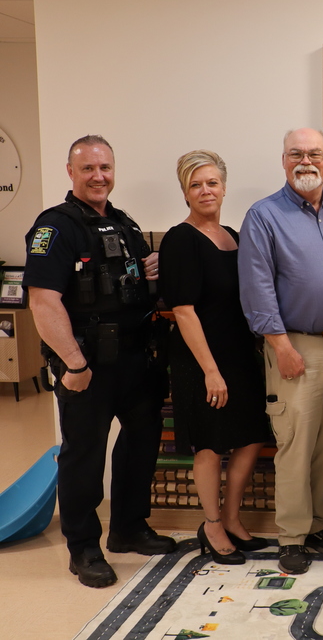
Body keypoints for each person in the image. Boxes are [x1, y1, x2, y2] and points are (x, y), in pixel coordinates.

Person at [24, 135, 176, 588]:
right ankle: (84, 547)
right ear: (70, 172)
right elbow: (43, 302)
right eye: (88, 168)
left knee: (141, 444)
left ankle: (128, 528)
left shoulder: (123, 223)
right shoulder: (55, 226)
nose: (99, 176)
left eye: (105, 167)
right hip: (86, 365)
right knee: (84, 456)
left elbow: (121, 282)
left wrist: (145, 268)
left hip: (134, 359)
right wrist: (73, 364)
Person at [238, 128, 323, 575]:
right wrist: (281, 346)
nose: (306, 161)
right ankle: (291, 537)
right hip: (295, 347)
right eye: (296, 153)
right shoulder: (263, 215)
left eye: (315, 153)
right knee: (294, 445)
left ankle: (316, 525)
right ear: (283, 161)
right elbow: (256, 288)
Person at [159, 150, 271, 565]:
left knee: (251, 436)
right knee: (209, 445)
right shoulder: (179, 239)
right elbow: (184, 311)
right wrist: (211, 371)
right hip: (201, 360)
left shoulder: (234, 235)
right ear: (185, 192)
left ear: (224, 187)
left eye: (211, 182)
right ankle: (210, 525)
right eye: (195, 184)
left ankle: (231, 516)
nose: (205, 190)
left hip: (240, 353)